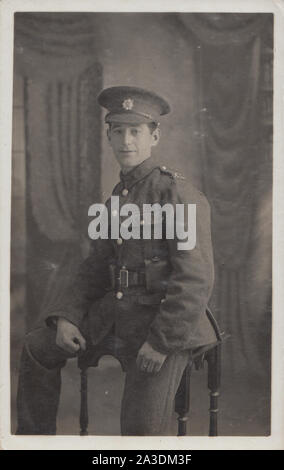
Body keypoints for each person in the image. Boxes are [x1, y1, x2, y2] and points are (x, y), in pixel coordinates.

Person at [16, 86, 219, 436]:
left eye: (136, 131)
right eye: (118, 131)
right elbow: (95, 267)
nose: (127, 141)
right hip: (117, 314)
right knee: (36, 347)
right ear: (108, 136)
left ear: (154, 136)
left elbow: (195, 280)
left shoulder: (178, 194)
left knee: (139, 432)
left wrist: (160, 343)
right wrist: (67, 318)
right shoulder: (116, 198)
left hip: (165, 323)